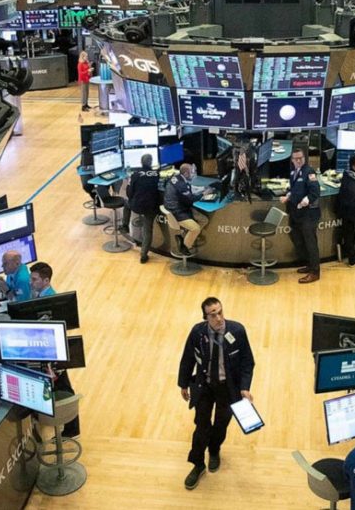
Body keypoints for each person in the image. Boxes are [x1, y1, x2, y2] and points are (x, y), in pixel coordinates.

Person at [177, 297, 255, 490]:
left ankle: (214, 449)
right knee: (201, 426)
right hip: (205, 385)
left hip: (227, 388)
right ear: (206, 317)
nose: (219, 318)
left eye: (220, 312)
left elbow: (247, 362)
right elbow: (188, 358)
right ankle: (197, 464)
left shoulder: (237, 331)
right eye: (213, 315)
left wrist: (244, 387)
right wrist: (183, 384)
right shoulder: (197, 332)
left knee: (221, 423)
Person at [281, 148, 321, 283]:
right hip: (296, 214)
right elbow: (294, 189)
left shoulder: (309, 172)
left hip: (308, 214)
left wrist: (305, 201)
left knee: (310, 243)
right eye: (296, 158)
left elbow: (315, 192)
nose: (298, 160)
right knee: (297, 239)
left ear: (304, 158)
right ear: (292, 160)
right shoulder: (293, 171)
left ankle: (315, 272)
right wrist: (288, 196)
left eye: (300, 158)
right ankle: (309, 264)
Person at [164, 164, 211, 256]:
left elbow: (189, 189)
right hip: (177, 211)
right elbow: (191, 199)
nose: (193, 174)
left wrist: (202, 189)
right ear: (185, 174)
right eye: (192, 172)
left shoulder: (177, 177)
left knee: (204, 220)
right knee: (195, 229)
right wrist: (204, 194)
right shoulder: (181, 185)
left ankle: (186, 237)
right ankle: (184, 247)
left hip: (181, 206)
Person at [126, 153, 161, 263]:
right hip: (151, 207)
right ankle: (143, 255)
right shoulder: (156, 174)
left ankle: (124, 225)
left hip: (136, 206)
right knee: (148, 230)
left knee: (126, 203)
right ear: (151, 162)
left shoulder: (135, 175)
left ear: (141, 162)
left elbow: (129, 193)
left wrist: (129, 185)